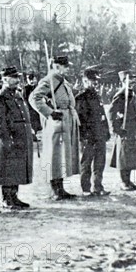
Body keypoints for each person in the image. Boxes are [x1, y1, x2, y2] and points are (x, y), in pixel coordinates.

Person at [29, 55, 80, 201]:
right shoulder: (48, 80)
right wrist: (50, 112)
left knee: (62, 155)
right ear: (57, 66)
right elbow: (34, 98)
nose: (67, 68)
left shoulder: (61, 81)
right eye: (65, 66)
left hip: (66, 119)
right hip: (56, 121)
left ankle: (61, 187)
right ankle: (55, 189)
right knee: (54, 156)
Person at [0, 66, 34, 209]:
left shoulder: (17, 94)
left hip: (20, 137)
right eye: (13, 77)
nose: (17, 80)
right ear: (4, 79)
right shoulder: (0, 97)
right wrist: (7, 139)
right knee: (7, 169)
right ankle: (7, 199)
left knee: (17, 168)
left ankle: (14, 196)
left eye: (17, 77)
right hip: (9, 139)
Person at [75, 68, 111, 196]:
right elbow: (80, 120)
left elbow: (102, 116)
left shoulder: (96, 96)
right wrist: (85, 136)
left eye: (96, 80)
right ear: (85, 81)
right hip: (89, 136)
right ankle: (86, 189)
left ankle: (98, 186)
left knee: (100, 162)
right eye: (92, 80)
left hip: (99, 134)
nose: (96, 83)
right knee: (86, 162)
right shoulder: (81, 98)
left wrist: (106, 130)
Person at [109, 71, 136, 191]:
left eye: (134, 79)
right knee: (123, 155)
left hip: (134, 129)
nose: (133, 82)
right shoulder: (122, 94)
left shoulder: (132, 94)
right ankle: (123, 181)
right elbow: (112, 112)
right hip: (125, 129)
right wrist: (116, 129)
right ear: (124, 81)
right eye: (131, 80)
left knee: (131, 155)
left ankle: (128, 180)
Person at [23, 72, 42, 140]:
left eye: (33, 79)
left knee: (37, 121)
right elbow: (24, 99)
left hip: (37, 107)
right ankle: (32, 135)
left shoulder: (38, 88)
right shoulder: (25, 89)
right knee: (32, 121)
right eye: (29, 79)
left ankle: (36, 134)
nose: (31, 81)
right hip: (29, 108)